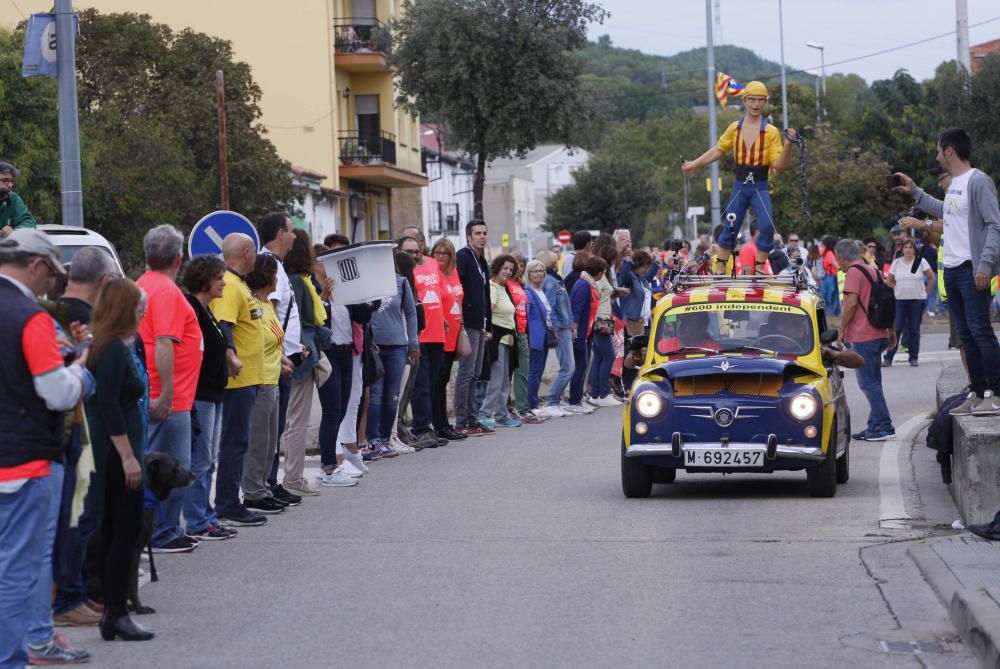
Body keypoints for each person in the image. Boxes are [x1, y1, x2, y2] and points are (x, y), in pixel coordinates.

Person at [0, 230, 94, 665]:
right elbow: (56, 393)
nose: (50, 286)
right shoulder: (29, 316)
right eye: (51, 275)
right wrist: (81, 372)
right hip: (24, 462)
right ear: (36, 265)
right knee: (17, 575)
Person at [896, 127, 1000, 416]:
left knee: (980, 331)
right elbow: (946, 210)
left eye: (939, 150)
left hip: (971, 269)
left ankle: (996, 392)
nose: (937, 155)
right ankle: (978, 391)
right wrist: (916, 192)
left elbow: (994, 224)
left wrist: (985, 264)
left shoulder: (979, 182)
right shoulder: (955, 184)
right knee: (967, 334)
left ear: (950, 151)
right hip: (953, 270)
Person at [85, 278, 154, 642]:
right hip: (115, 454)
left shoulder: (110, 345)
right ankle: (116, 611)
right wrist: (128, 457)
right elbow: (108, 405)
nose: (142, 312)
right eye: (137, 305)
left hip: (118, 450)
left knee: (116, 530)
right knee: (123, 532)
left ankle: (114, 613)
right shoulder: (111, 348)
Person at [51, 247, 117, 626]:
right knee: (77, 517)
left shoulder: (55, 312)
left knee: (71, 518)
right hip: (77, 425)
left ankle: (72, 593)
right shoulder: (82, 321)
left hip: (66, 426)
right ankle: (68, 599)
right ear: (104, 281)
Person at [682, 81, 798, 274]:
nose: (756, 104)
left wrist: (788, 145)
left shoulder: (770, 132)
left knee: (767, 225)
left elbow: (779, 164)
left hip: (760, 185)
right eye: (752, 99)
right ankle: (720, 269)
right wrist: (693, 164)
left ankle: (760, 269)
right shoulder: (735, 128)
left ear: (765, 102)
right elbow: (718, 150)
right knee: (730, 225)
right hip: (740, 185)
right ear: (744, 101)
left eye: (760, 100)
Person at [135, 224, 204, 553]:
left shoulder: (144, 285)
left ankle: (159, 530)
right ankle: (163, 532)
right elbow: (164, 342)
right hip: (169, 397)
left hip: (162, 392)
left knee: (157, 465)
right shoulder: (164, 290)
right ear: (179, 258)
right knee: (171, 468)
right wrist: (165, 394)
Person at [211, 233, 269, 526]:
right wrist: (231, 355)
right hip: (238, 379)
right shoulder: (230, 286)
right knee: (234, 441)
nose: (257, 257)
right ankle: (227, 503)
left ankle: (228, 501)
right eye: (254, 252)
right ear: (246, 252)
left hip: (250, 377)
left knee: (239, 440)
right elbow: (223, 326)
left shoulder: (239, 284)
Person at [180, 255, 237, 541]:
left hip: (213, 392)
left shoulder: (208, 310)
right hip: (200, 393)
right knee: (200, 460)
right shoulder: (191, 307)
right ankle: (197, 521)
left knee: (208, 459)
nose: (223, 283)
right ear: (204, 280)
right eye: (218, 278)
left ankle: (207, 515)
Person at [257, 213, 304, 508]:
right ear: (279, 233)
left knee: (276, 425)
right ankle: (266, 484)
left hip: (283, 355)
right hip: (277, 359)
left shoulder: (277, 265)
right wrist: (282, 353)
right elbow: (269, 309)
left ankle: (269, 483)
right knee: (271, 426)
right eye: (290, 230)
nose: (295, 236)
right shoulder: (270, 265)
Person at [242, 254, 293, 514]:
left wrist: (283, 359)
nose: (277, 279)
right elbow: (254, 342)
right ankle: (253, 491)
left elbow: (273, 341)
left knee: (271, 440)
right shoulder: (253, 305)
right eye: (274, 274)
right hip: (260, 379)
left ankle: (263, 487)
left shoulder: (268, 305)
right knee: (259, 440)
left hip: (273, 376)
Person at [282, 230, 331, 491]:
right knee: (297, 421)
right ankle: (293, 477)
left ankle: (293, 475)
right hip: (301, 355)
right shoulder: (299, 281)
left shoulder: (294, 279)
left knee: (293, 419)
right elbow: (303, 319)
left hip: (295, 352)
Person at [835, 238, 896, 441]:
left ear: (843, 258)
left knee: (868, 384)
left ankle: (884, 426)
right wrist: (891, 330)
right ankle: (874, 425)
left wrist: (841, 330)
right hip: (879, 332)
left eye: (838, 260)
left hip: (863, 334)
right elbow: (887, 299)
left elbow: (851, 304)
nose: (838, 264)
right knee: (875, 382)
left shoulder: (853, 272)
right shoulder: (873, 270)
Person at [402, 236, 451, 448]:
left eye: (416, 249)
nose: (414, 254)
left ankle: (427, 427)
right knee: (419, 386)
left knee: (432, 384)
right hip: (418, 336)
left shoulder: (432, 264)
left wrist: (442, 318)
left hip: (437, 334)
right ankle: (420, 428)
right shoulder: (402, 272)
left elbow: (437, 296)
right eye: (409, 251)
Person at [367, 251, 419, 454]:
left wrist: (412, 343)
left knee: (392, 396)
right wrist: (369, 340)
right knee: (376, 395)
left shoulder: (402, 282)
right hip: (375, 347)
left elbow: (411, 313)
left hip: (397, 344)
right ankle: (373, 439)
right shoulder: (368, 283)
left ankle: (385, 437)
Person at [454, 220, 493, 437]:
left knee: (476, 373)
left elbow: (485, 295)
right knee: (466, 372)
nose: (482, 236)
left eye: (484, 233)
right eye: (477, 233)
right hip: (467, 323)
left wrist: (488, 322)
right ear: (469, 236)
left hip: (480, 323)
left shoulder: (481, 260)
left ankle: (472, 418)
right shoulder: (463, 257)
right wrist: (460, 319)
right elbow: (457, 289)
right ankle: (461, 421)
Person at [430, 239, 468, 441]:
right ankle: (438, 425)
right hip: (439, 335)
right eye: (437, 252)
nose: (441, 256)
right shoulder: (432, 274)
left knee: (444, 380)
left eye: (445, 253)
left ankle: (445, 423)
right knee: (437, 381)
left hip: (454, 334)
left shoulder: (452, 273)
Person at [478, 255, 521, 428]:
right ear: (497, 268)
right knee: (496, 380)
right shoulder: (493, 288)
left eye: (511, 269)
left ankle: (502, 415)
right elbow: (489, 311)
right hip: (496, 340)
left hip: (507, 340)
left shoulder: (505, 288)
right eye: (505, 268)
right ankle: (484, 414)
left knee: (504, 380)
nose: (508, 272)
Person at [883, 239, 934, 367]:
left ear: (914, 250)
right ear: (902, 249)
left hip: (917, 300)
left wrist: (926, 293)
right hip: (900, 300)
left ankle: (913, 357)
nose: (908, 249)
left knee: (914, 330)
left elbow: (932, 277)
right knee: (897, 328)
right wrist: (896, 289)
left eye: (910, 247)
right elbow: (889, 280)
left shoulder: (921, 261)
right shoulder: (896, 263)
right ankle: (888, 357)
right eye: (905, 247)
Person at [538, 250, 575, 418]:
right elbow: (550, 308)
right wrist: (553, 329)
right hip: (560, 328)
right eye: (554, 260)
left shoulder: (555, 280)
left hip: (565, 327)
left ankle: (555, 400)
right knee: (568, 368)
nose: (557, 262)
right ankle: (551, 401)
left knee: (568, 367)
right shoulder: (551, 282)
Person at [567, 256, 605, 414]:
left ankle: (579, 398)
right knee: (580, 366)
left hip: (586, 331)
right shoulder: (583, 285)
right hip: (580, 332)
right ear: (599, 272)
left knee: (583, 366)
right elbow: (578, 309)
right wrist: (575, 329)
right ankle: (574, 400)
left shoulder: (588, 283)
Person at [587, 235, 620, 407]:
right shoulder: (599, 278)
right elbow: (599, 293)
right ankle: (603, 393)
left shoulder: (600, 277)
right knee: (609, 356)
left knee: (599, 357)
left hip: (601, 318)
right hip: (600, 318)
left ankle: (595, 394)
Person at [507, 254, 540, 423]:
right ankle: (507, 408)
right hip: (511, 332)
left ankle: (523, 407)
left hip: (522, 331)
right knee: (508, 373)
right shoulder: (505, 284)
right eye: (516, 265)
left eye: (521, 265)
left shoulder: (520, 284)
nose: (519, 268)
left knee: (523, 372)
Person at [524, 259, 551, 415]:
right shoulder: (528, 293)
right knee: (534, 371)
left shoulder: (542, 291)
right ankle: (532, 404)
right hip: (535, 337)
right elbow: (526, 317)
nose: (539, 273)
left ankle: (534, 401)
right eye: (535, 271)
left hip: (544, 335)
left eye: (541, 270)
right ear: (529, 274)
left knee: (539, 370)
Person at [0, 161, 37, 236]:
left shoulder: (13, 198)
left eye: (11, 181)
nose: (10, 185)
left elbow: (28, 222)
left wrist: (15, 231)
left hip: (7, 246)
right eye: (4, 180)